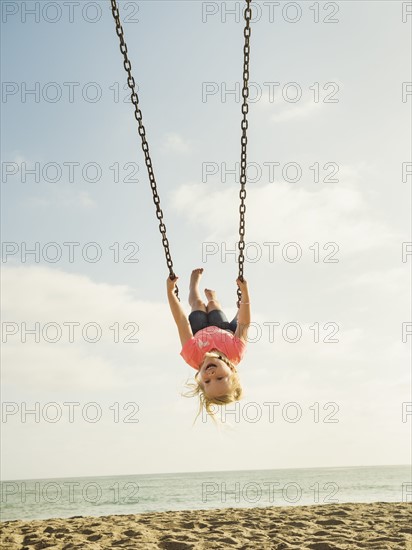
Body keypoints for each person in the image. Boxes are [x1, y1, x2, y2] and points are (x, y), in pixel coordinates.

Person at [167, 268, 250, 417]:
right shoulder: (236, 352)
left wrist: (170, 293)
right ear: (232, 371)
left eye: (207, 381)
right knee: (213, 305)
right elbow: (244, 322)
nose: (211, 375)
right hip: (224, 330)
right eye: (219, 378)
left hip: (199, 330)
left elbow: (181, 322)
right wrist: (244, 295)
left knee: (198, 303)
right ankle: (213, 298)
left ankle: (193, 286)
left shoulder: (192, 356)